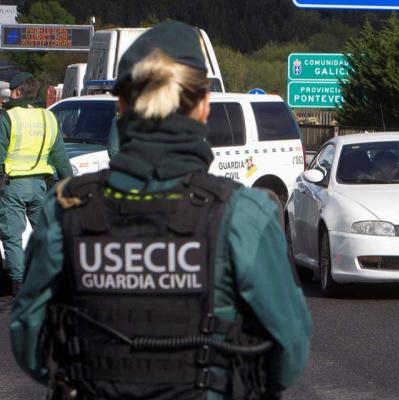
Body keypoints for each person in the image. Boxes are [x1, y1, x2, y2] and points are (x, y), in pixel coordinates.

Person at [9, 21, 312, 399]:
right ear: (203, 107)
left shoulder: (67, 207)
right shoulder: (243, 213)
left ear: (122, 105)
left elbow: (28, 336)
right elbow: (289, 348)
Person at [0, 72, 72, 310]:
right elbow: (61, 157)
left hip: (13, 187)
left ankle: (19, 289)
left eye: (11, 91)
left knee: (12, 237)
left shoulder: (7, 118)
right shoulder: (48, 117)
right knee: (46, 233)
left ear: (18, 92)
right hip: (42, 184)